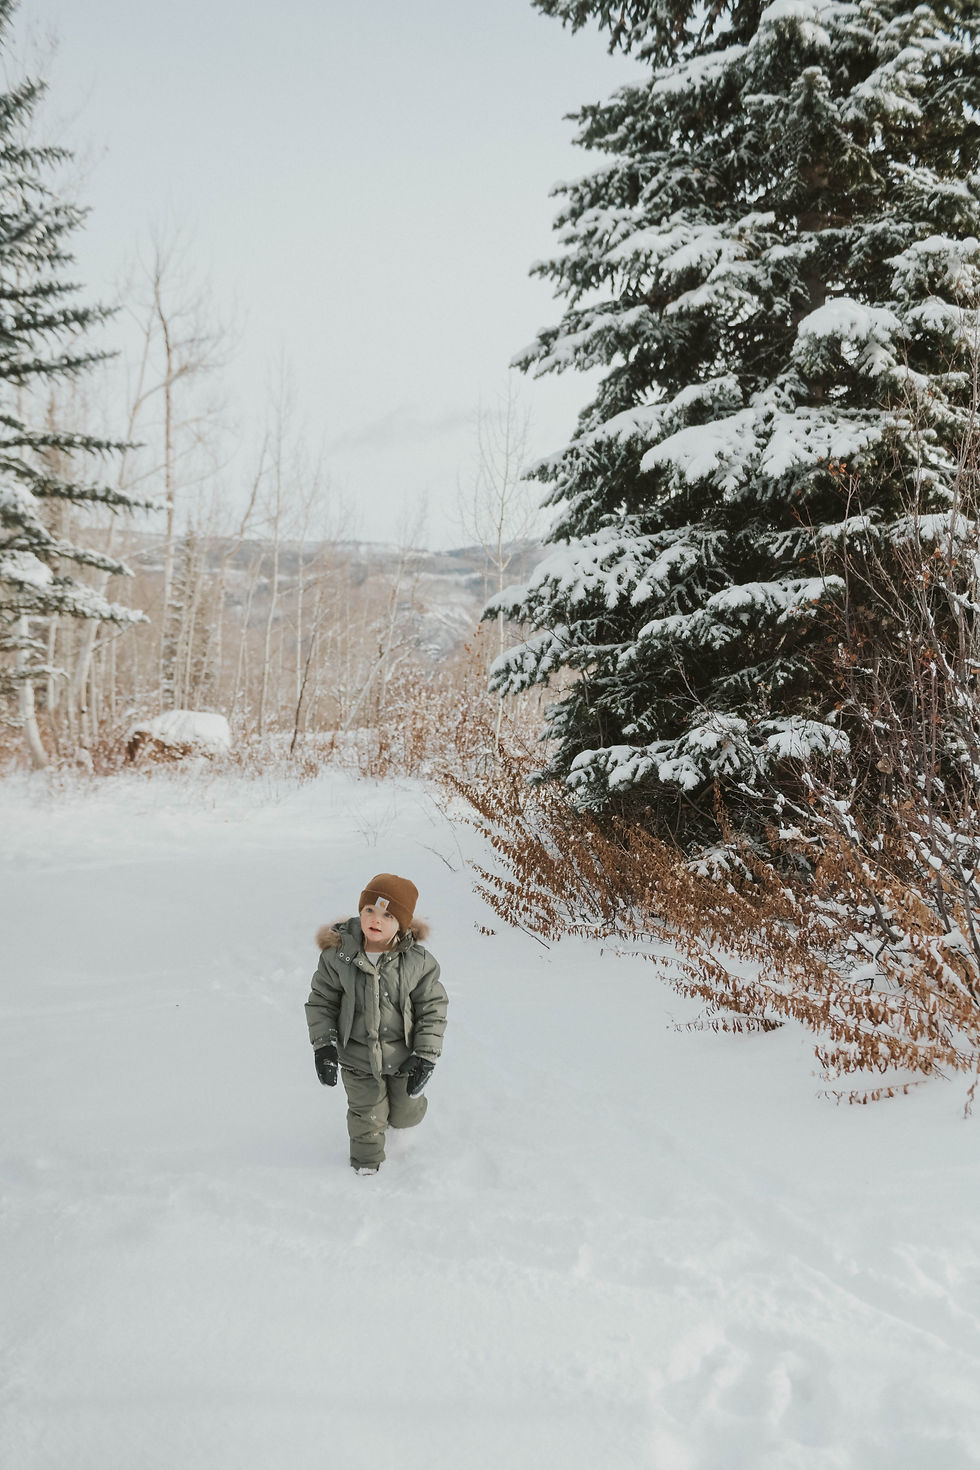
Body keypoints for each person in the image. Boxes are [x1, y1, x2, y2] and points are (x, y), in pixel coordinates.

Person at [305, 873, 448, 1175]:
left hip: (404, 1056)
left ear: (402, 923)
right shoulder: (338, 957)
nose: (376, 920)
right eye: (369, 909)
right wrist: (324, 1046)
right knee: (367, 1113)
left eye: (387, 914)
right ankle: (366, 1168)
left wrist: (425, 1054)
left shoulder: (418, 962)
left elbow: (432, 1008)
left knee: (405, 1112)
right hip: (357, 1057)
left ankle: (403, 1137)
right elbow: (321, 1002)